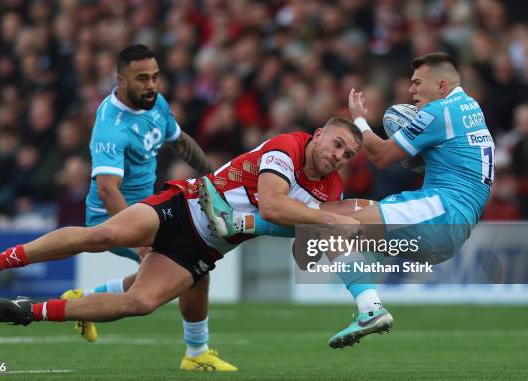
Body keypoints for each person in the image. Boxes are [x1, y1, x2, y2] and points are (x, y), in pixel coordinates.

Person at [0, 117, 362, 360]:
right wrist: (328, 220)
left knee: (141, 302)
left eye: (347, 155)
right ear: (319, 133)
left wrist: (324, 238)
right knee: (105, 234)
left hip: (206, 246)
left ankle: (30, 311)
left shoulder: (333, 190)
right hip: (186, 206)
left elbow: (301, 252)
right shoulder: (287, 146)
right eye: (337, 144)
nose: (339, 156)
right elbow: (272, 207)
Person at [198, 52, 494, 349]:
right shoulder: (469, 108)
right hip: (454, 224)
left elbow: (380, 156)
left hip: (439, 210)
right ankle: (369, 308)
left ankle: (237, 221)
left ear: (441, 86)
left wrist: (361, 120)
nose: (411, 91)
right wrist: (420, 158)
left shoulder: (440, 111)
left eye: (417, 83)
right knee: (331, 224)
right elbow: (452, 164)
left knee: (328, 219)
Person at [58, 44, 237, 371]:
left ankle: (85, 301)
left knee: (173, 272)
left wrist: (214, 178)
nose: (151, 84)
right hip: (115, 214)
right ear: (121, 80)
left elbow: (180, 141)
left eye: (155, 76)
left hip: (150, 209)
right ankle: (196, 354)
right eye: (142, 78)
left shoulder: (155, 104)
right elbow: (107, 190)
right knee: (191, 267)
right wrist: (139, 241)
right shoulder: (111, 127)